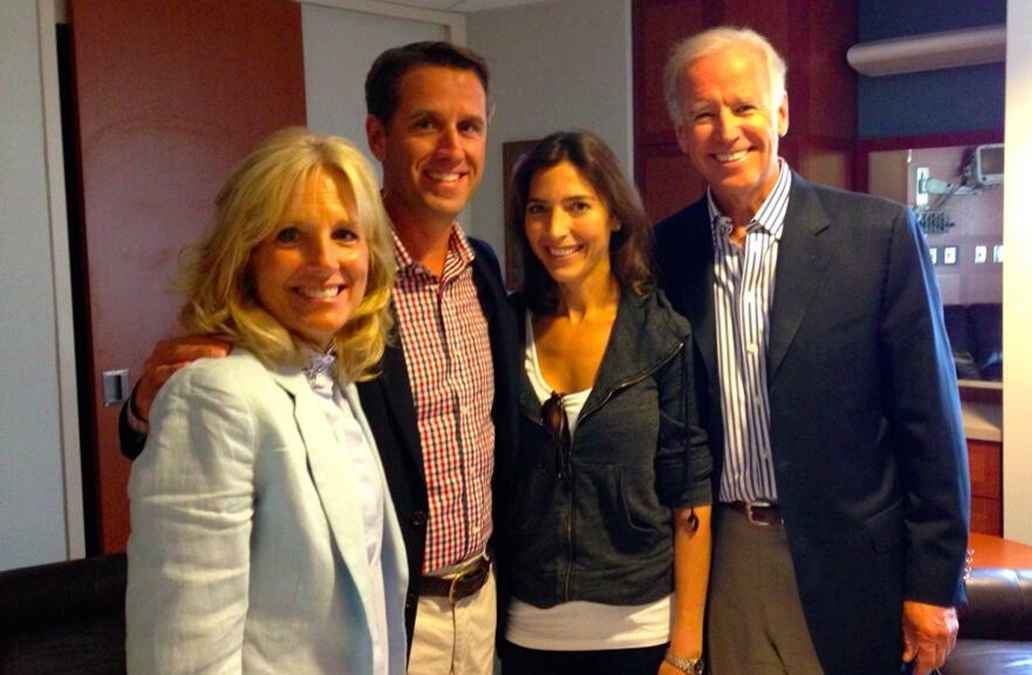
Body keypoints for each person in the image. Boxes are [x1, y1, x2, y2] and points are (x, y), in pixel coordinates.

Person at [119, 42, 518, 675]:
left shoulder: (483, 272)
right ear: (378, 137)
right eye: (425, 124)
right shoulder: (336, 298)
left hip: (475, 600)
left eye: (468, 126)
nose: (451, 148)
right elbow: (214, 410)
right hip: (392, 613)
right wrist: (148, 405)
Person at [653, 27, 970, 675]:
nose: (726, 130)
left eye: (744, 107)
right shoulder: (665, 252)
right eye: (703, 114)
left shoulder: (876, 236)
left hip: (851, 562)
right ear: (682, 133)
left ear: (782, 113)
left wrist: (933, 584)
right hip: (723, 558)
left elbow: (931, 424)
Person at [125, 128, 407, 674]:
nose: (324, 261)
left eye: (346, 234)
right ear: (244, 254)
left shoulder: (330, 376)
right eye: (289, 236)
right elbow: (185, 657)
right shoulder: (212, 395)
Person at [498, 131, 712, 675]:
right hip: (529, 631)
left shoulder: (660, 332)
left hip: (639, 632)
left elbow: (689, 492)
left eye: (577, 207)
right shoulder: (504, 325)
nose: (557, 230)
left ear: (615, 216)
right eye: (538, 210)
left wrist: (685, 651)